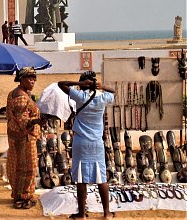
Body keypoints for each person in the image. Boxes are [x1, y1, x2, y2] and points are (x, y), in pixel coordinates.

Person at [58, 71, 115, 220]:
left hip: (81, 142)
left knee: (81, 179)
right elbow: (114, 92)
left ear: (83, 85)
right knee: (101, 178)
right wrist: (102, 86)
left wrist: (79, 84)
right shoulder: (103, 98)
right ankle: (107, 213)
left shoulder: (80, 96)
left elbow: (61, 84)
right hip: (97, 143)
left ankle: (82, 214)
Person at [6, 67, 45, 209]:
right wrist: (37, 121)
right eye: (29, 78)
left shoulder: (15, 94)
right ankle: (22, 197)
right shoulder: (21, 98)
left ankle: (20, 194)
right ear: (21, 79)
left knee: (18, 166)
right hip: (24, 138)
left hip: (17, 137)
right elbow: (23, 121)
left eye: (34, 78)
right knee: (27, 168)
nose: (33, 80)